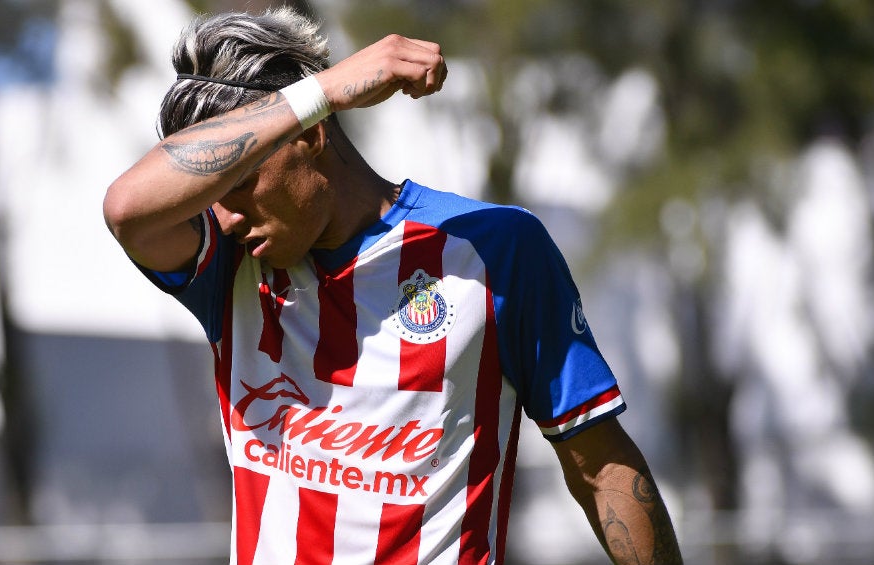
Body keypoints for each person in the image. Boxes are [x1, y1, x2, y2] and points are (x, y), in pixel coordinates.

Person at [104, 7, 683, 564]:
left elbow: (600, 467)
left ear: (308, 138)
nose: (224, 217)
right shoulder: (226, 267)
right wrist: (323, 91)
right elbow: (127, 210)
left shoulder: (494, 249)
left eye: (240, 184)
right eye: (211, 194)